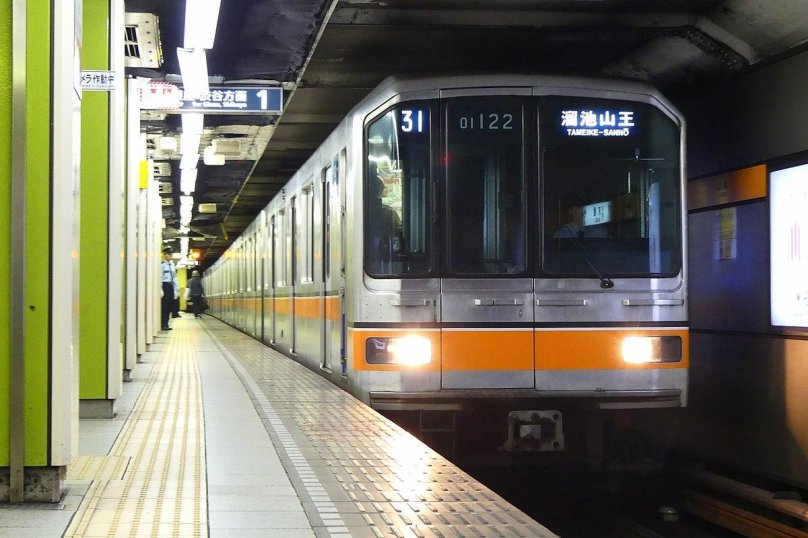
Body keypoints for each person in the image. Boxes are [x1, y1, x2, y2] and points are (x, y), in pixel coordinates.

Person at [367, 176, 402, 274]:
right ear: (381, 190)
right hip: (385, 253)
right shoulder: (389, 212)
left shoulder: (359, 211)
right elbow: (397, 232)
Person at [161, 248, 178, 331]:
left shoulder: (172, 265)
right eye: (169, 254)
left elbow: (174, 278)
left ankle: (166, 323)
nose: (171, 256)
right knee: (165, 306)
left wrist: (176, 290)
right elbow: (160, 277)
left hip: (171, 286)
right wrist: (160, 289)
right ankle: (164, 324)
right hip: (165, 286)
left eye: (171, 254)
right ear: (165, 255)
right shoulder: (162, 265)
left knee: (169, 306)